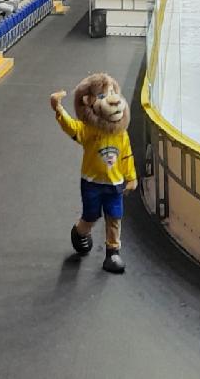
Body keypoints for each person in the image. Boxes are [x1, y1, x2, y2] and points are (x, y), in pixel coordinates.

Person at [49, 73, 136, 275]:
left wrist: (131, 177)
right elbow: (72, 127)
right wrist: (59, 109)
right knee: (91, 215)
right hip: (92, 183)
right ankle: (80, 232)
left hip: (115, 184)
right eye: (104, 95)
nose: (113, 100)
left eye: (114, 93)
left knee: (115, 217)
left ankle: (112, 252)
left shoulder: (121, 134)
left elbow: (126, 155)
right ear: (89, 101)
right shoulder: (89, 131)